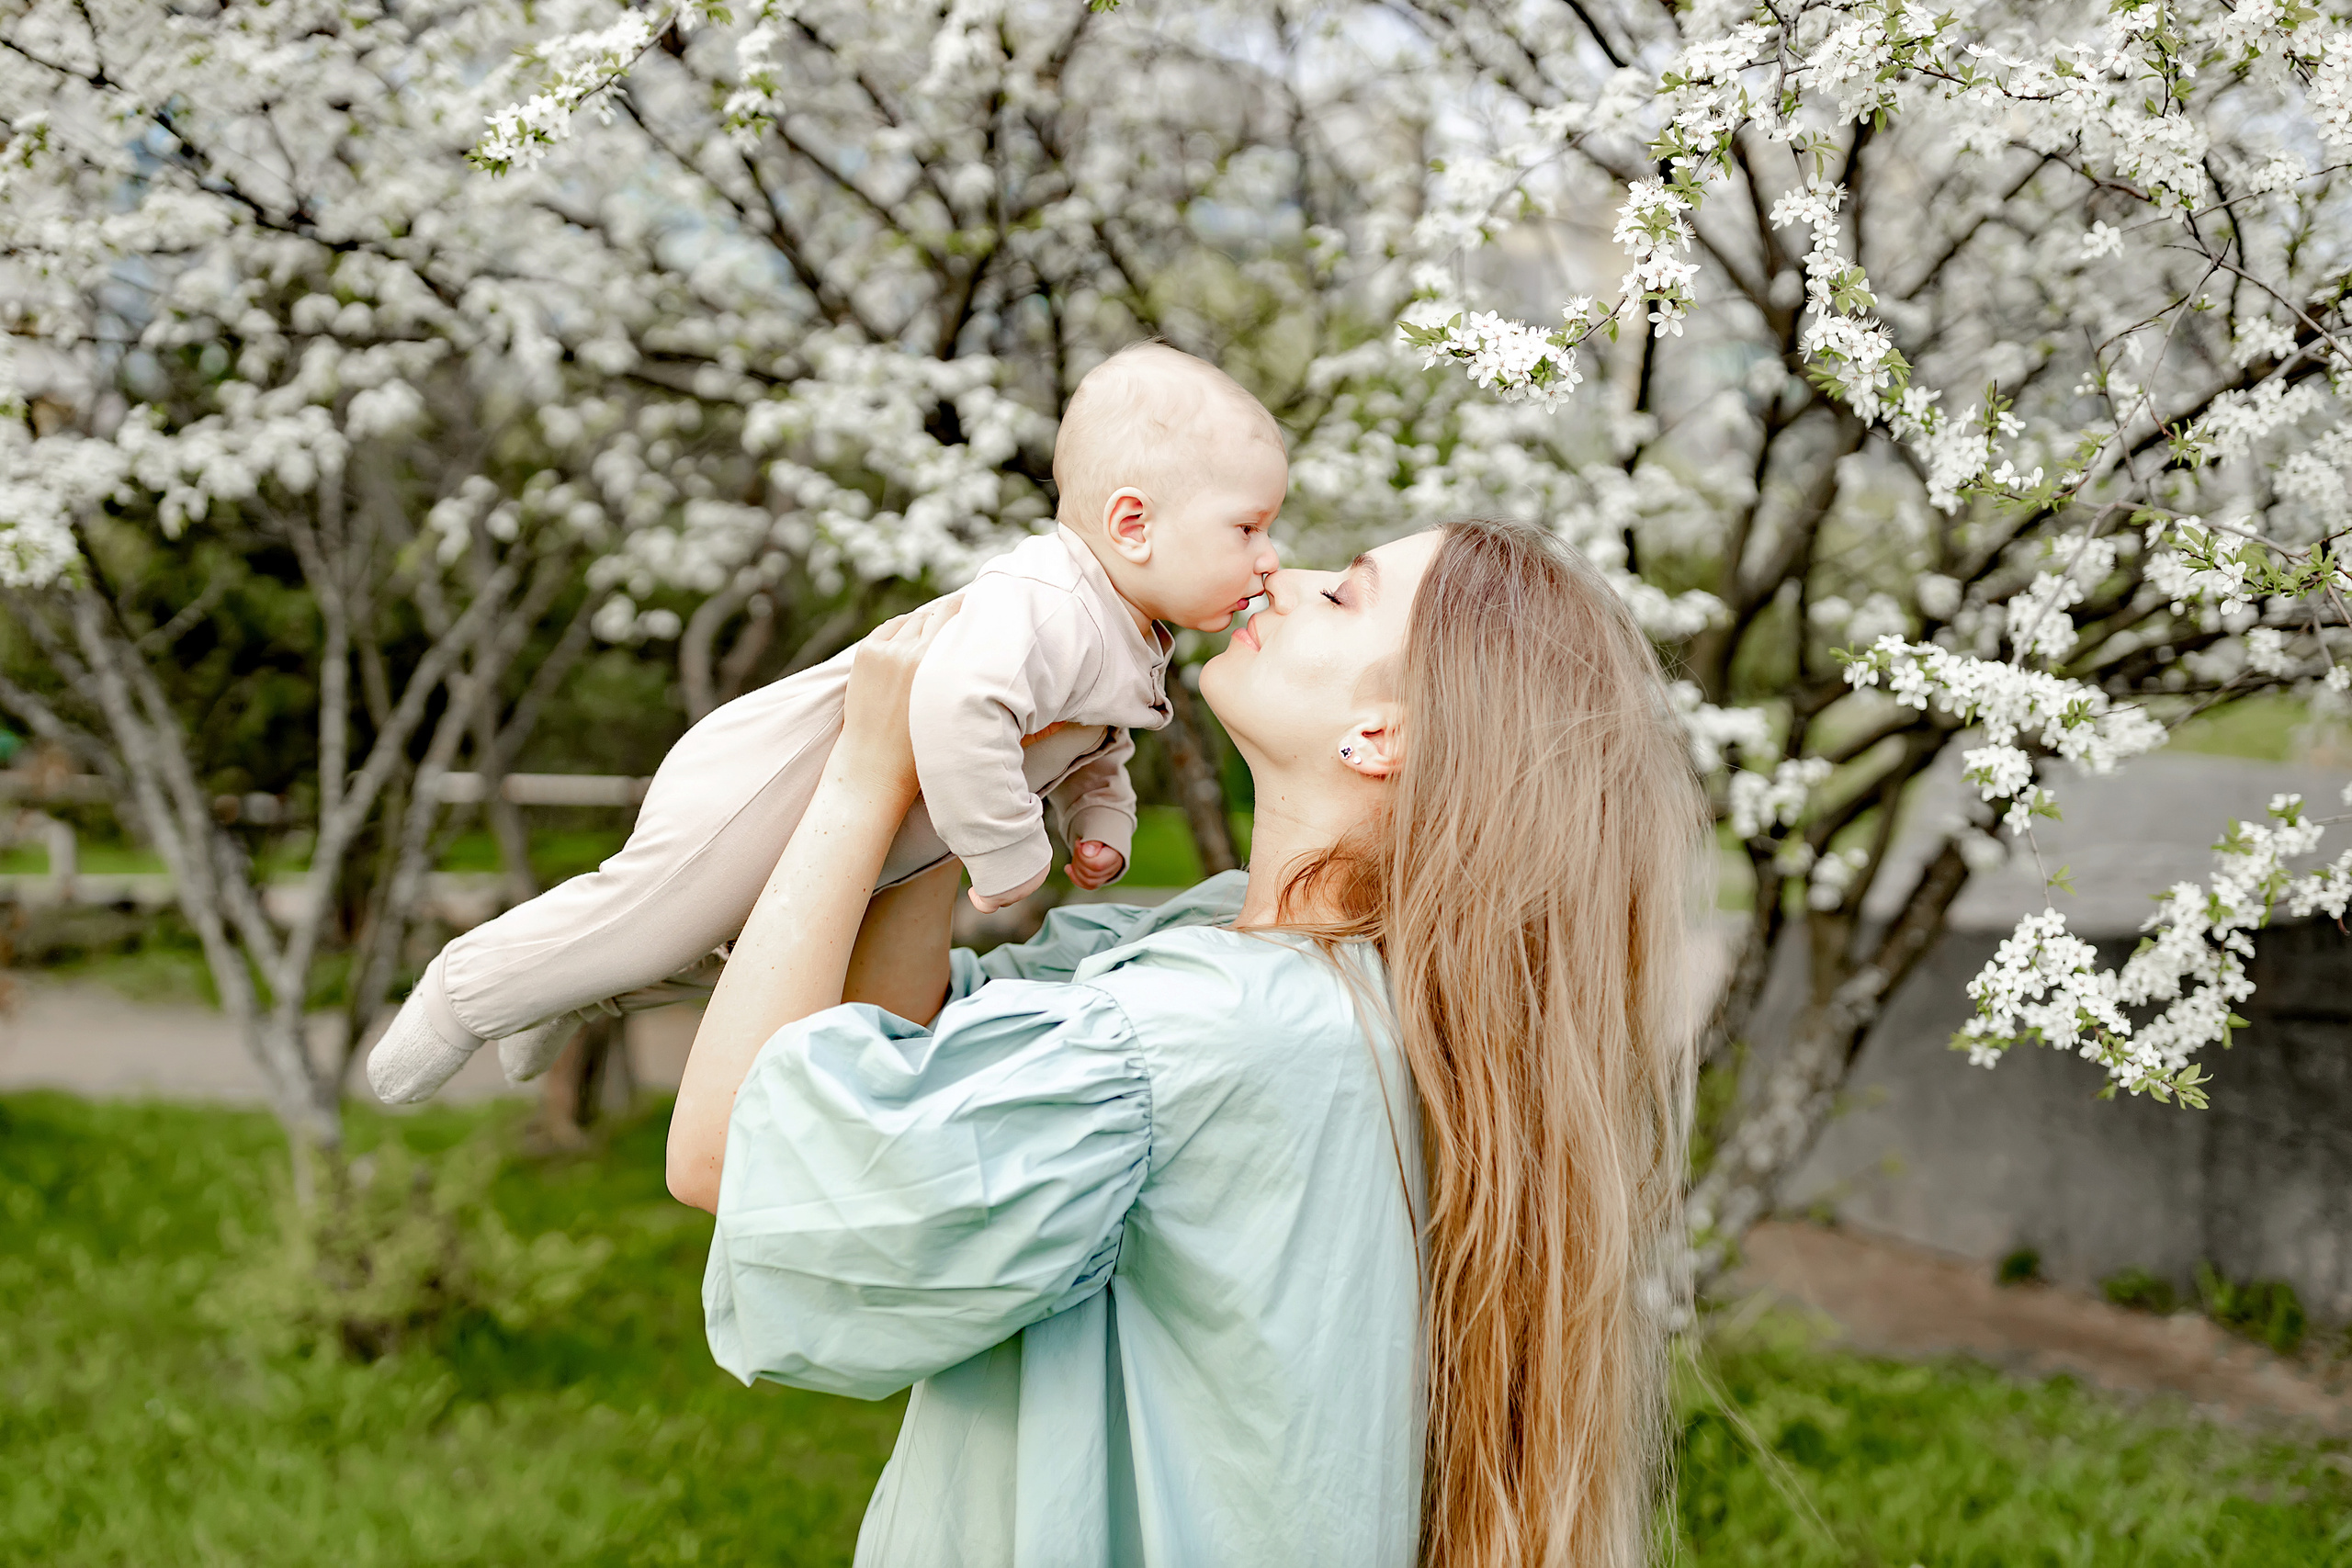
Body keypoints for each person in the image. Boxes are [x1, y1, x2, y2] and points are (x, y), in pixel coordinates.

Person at [670, 519, 1708, 1567]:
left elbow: (734, 1153)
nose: (1278, 576)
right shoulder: (1319, 976)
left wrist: (869, 767)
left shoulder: (1206, 1031)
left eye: (1342, 594)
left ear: (1383, 735)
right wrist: (971, 769)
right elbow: (915, 1040)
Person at [368, 344, 1287, 1105]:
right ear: (1134, 524)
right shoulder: (1047, 601)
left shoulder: (1129, 632)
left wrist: (1100, 824)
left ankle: (572, 990)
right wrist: (1009, 850)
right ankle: (466, 989)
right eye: (1247, 528)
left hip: (864, 824)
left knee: (750, 961)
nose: (1268, 557)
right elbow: (960, 703)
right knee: (653, 918)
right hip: (776, 776)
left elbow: (1096, 749)